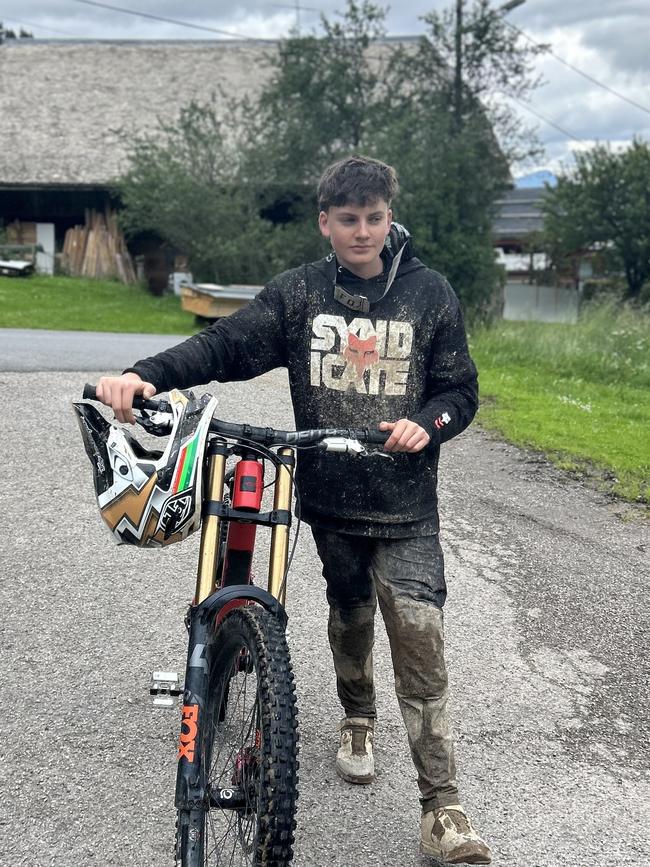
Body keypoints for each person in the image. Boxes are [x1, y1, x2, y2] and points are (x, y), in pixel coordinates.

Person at [96, 155, 491, 864]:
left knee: (421, 640)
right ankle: (357, 717)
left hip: (408, 507)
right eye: (349, 219)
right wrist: (145, 374)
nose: (363, 230)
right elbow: (226, 342)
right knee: (349, 614)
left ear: (389, 214)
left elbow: (460, 391)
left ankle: (444, 807)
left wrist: (427, 423)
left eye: (374, 217)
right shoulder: (300, 295)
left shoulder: (431, 295)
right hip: (331, 502)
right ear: (326, 223)